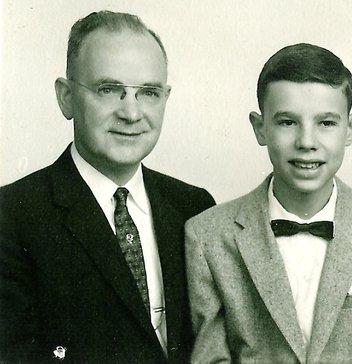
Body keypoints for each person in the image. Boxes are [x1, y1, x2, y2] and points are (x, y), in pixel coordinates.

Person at [185, 43, 352, 363]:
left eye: (326, 123)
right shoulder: (208, 236)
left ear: (350, 128)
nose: (307, 142)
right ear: (260, 128)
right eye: (287, 122)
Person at [0, 10, 215, 363]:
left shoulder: (194, 206)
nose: (131, 113)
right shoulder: (13, 216)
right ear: (66, 97)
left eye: (148, 92)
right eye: (109, 89)